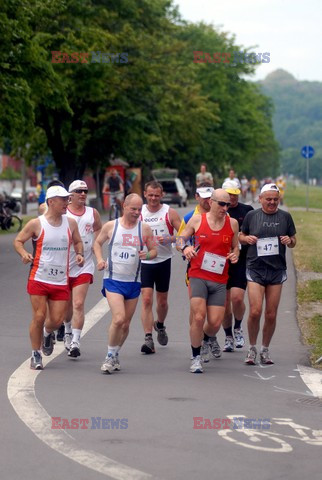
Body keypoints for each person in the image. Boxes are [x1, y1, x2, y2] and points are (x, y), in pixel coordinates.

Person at [13, 185, 84, 370]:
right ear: (51, 202)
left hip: (60, 280)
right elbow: (18, 240)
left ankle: (47, 333)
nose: (66, 202)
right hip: (39, 277)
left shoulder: (71, 223)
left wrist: (79, 253)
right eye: (63, 199)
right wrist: (23, 253)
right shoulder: (37, 223)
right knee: (39, 316)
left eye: (67, 199)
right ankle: (35, 355)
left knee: (56, 320)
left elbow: (77, 241)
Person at [93, 193, 157, 374]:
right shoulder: (111, 226)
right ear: (124, 207)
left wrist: (148, 255)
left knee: (126, 324)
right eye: (133, 209)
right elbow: (97, 244)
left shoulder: (144, 229)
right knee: (119, 318)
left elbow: (154, 250)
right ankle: (109, 356)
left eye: (139, 209)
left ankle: (115, 353)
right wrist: (99, 260)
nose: (137, 213)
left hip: (133, 282)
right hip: (113, 280)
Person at [177, 188, 239, 373]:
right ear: (211, 202)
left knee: (215, 322)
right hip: (198, 275)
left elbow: (236, 247)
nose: (225, 207)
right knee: (198, 316)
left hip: (220, 278)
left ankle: (206, 338)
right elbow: (180, 239)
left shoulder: (233, 223)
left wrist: (235, 254)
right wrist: (185, 248)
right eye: (221, 203)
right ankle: (196, 357)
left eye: (228, 204)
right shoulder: (197, 220)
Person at [239, 183, 296, 365]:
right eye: (268, 199)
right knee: (255, 311)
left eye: (275, 199)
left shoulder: (285, 217)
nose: (272, 202)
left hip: (276, 270)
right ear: (260, 199)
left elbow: (293, 241)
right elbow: (241, 235)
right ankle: (252, 348)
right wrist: (246, 239)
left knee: (271, 314)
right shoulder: (252, 216)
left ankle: (265, 348)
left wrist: (290, 240)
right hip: (255, 267)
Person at [140, 181, 181, 354]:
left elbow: (184, 235)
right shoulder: (139, 211)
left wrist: (171, 239)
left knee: (162, 301)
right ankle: (148, 338)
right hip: (145, 261)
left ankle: (160, 325)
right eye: (150, 195)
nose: (153, 198)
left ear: (162, 195)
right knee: (147, 299)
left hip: (164, 260)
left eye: (157, 195)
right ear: (145, 194)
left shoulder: (169, 212)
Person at [63, 180, 102, 357]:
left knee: (78, 303)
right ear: (70, 195)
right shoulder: (63, 214)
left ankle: (76, 342)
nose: (83, 194)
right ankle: (67, 329)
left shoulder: (92, 213)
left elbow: (98, 229)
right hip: (63, 265)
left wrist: (95, 244)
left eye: (85, 191)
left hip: (84, 265)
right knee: (66, 305)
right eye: (79, 191)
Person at [221, 180, 254, 352]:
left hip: (240, 260)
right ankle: (227, 336)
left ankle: (238, 327)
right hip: (221, 261)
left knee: (237, 298)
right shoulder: (219, 210)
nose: (232, 197)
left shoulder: (246, 210)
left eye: (235, 194)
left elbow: (254, 231)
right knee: (225, 305)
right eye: (229, 194)